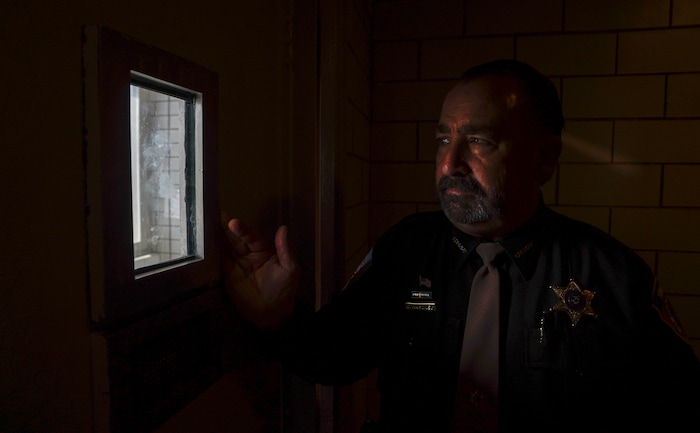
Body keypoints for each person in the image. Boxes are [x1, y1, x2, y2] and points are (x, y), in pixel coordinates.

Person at [221, 59, 700, 432]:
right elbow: (336, 357)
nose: (449, 163)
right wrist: (278, 318)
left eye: (479, 141)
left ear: (545, 158)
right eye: (442, 138)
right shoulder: (405, 249)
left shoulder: (613, 275)